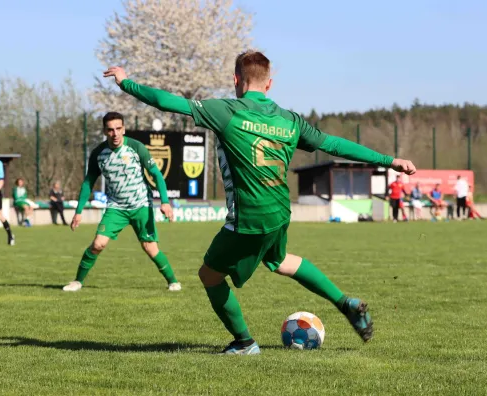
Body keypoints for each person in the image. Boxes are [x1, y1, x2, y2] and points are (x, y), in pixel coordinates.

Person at [103, 51, 417, 354]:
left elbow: (167, 102)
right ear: (269, 84)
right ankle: (344, 301)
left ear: (236, 79)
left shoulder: (227, 110)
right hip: (280, 213)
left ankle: (244, 343)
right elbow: (333, 144)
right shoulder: (290, 120)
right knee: (279, 261)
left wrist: (126, 82)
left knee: (209, 275)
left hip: (249, 217)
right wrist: (389, 160)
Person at [62, 112, 181, 293]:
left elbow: (156, 174)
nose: (115, 134)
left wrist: (164, 202)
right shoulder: (98, 154)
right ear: (104, 131)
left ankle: (173, 281)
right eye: (110, 130)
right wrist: (78, 211)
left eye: (118, 129)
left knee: (150, 248)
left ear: (123, 129)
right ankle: (77, 281)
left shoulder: (136, 147)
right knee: (98, 244)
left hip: (141, 204)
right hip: (116, 208)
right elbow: (88, 183)